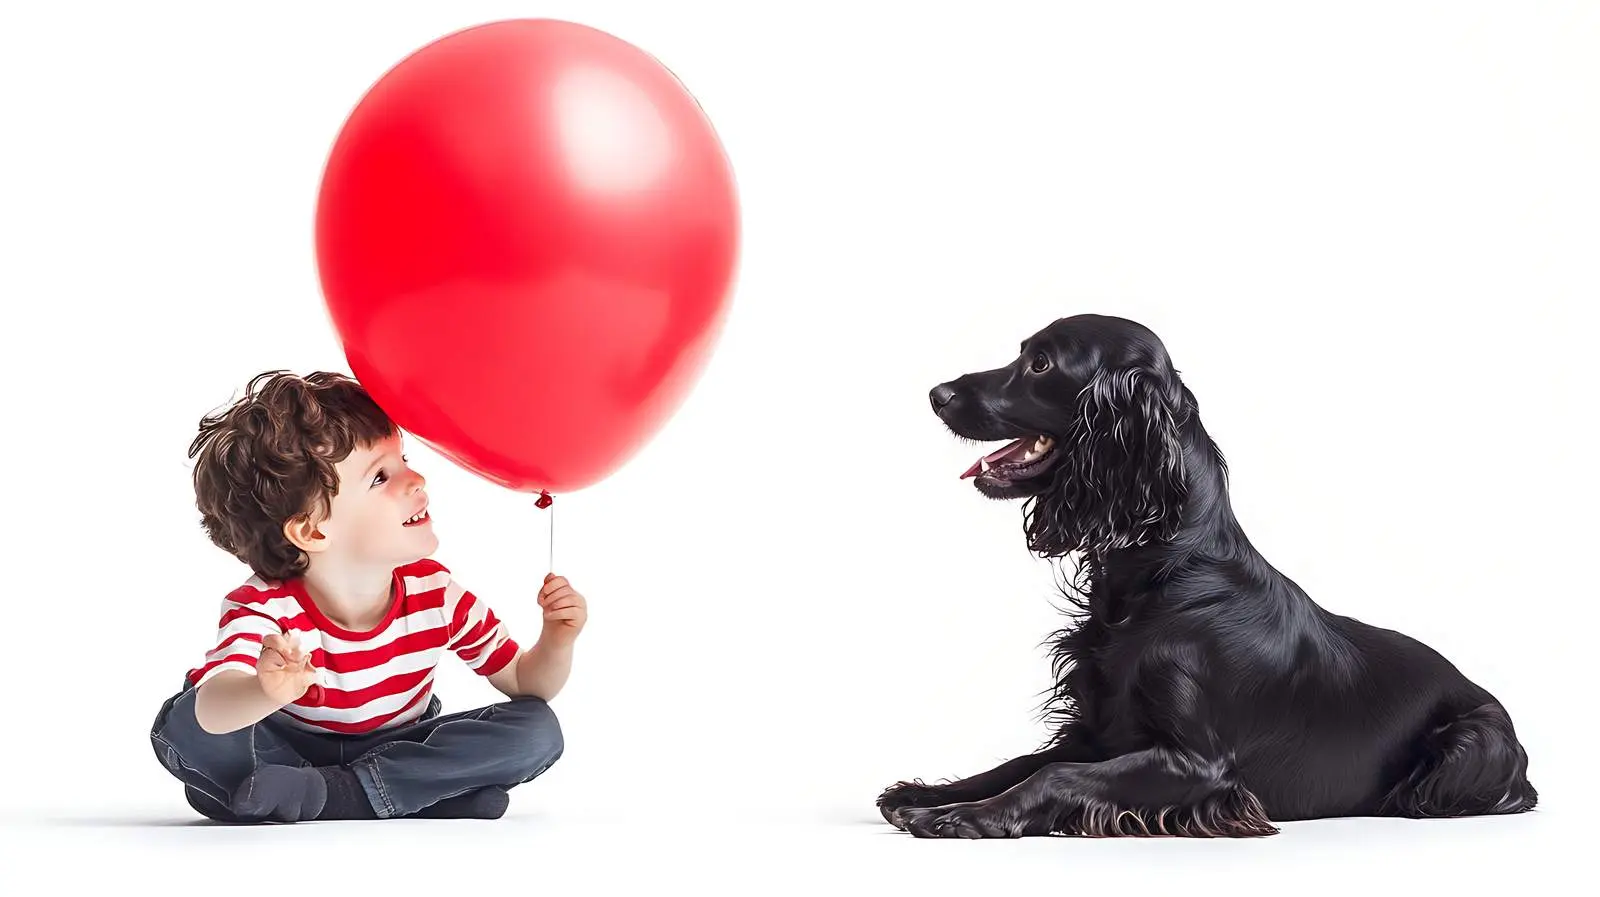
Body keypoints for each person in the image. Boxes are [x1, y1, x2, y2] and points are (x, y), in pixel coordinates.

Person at [149, 370, 585, 822]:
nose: (415, 480)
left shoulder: (436, 594)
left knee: (537, 731)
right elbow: (214, 709)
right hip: (288, 747)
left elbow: (525, 682)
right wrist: (263, 691)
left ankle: (328, 795)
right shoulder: (262, 607)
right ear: (313, 530)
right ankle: (408, 795)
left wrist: (557, 639)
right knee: (186, 724)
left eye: (404, 460)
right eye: (380, 477)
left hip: (397, 745)